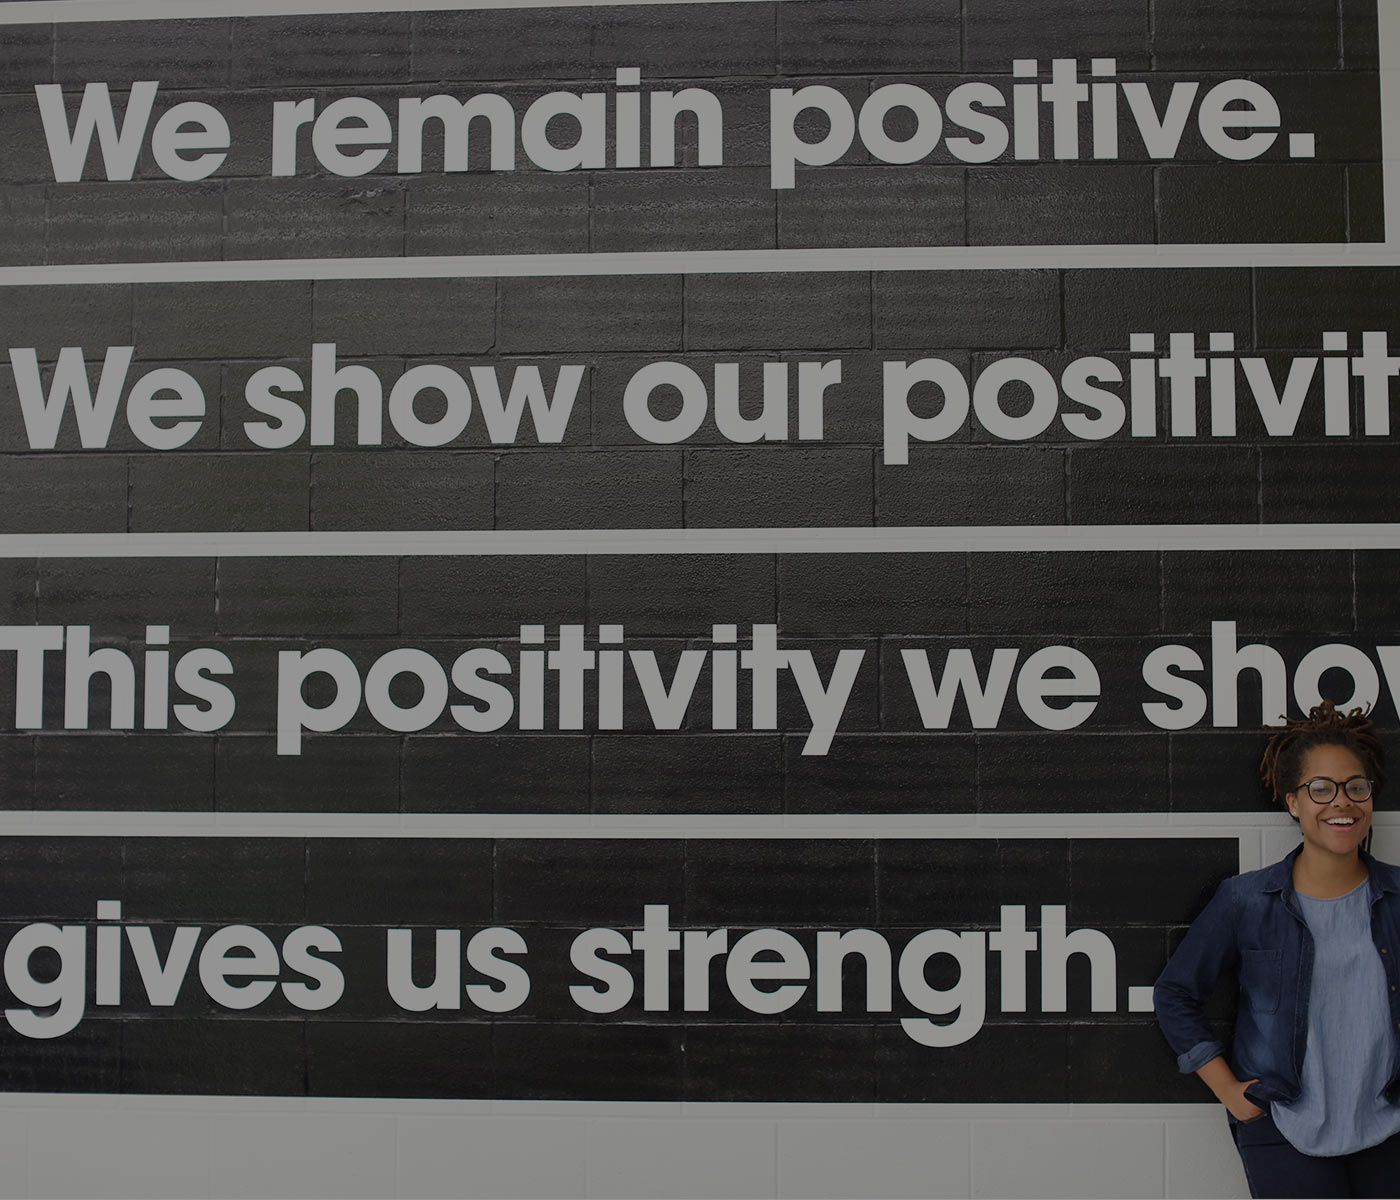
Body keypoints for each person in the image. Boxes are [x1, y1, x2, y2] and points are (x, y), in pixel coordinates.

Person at [1154, 700, 1400, 1199]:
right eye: (1321, 789)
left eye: (1356, 787)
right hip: (1283, 1130)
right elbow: (1174, 993)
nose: (1342, 802)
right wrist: (1227, 1090)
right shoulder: (1246, 900)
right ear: (1293, 802)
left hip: (1390, 1128)